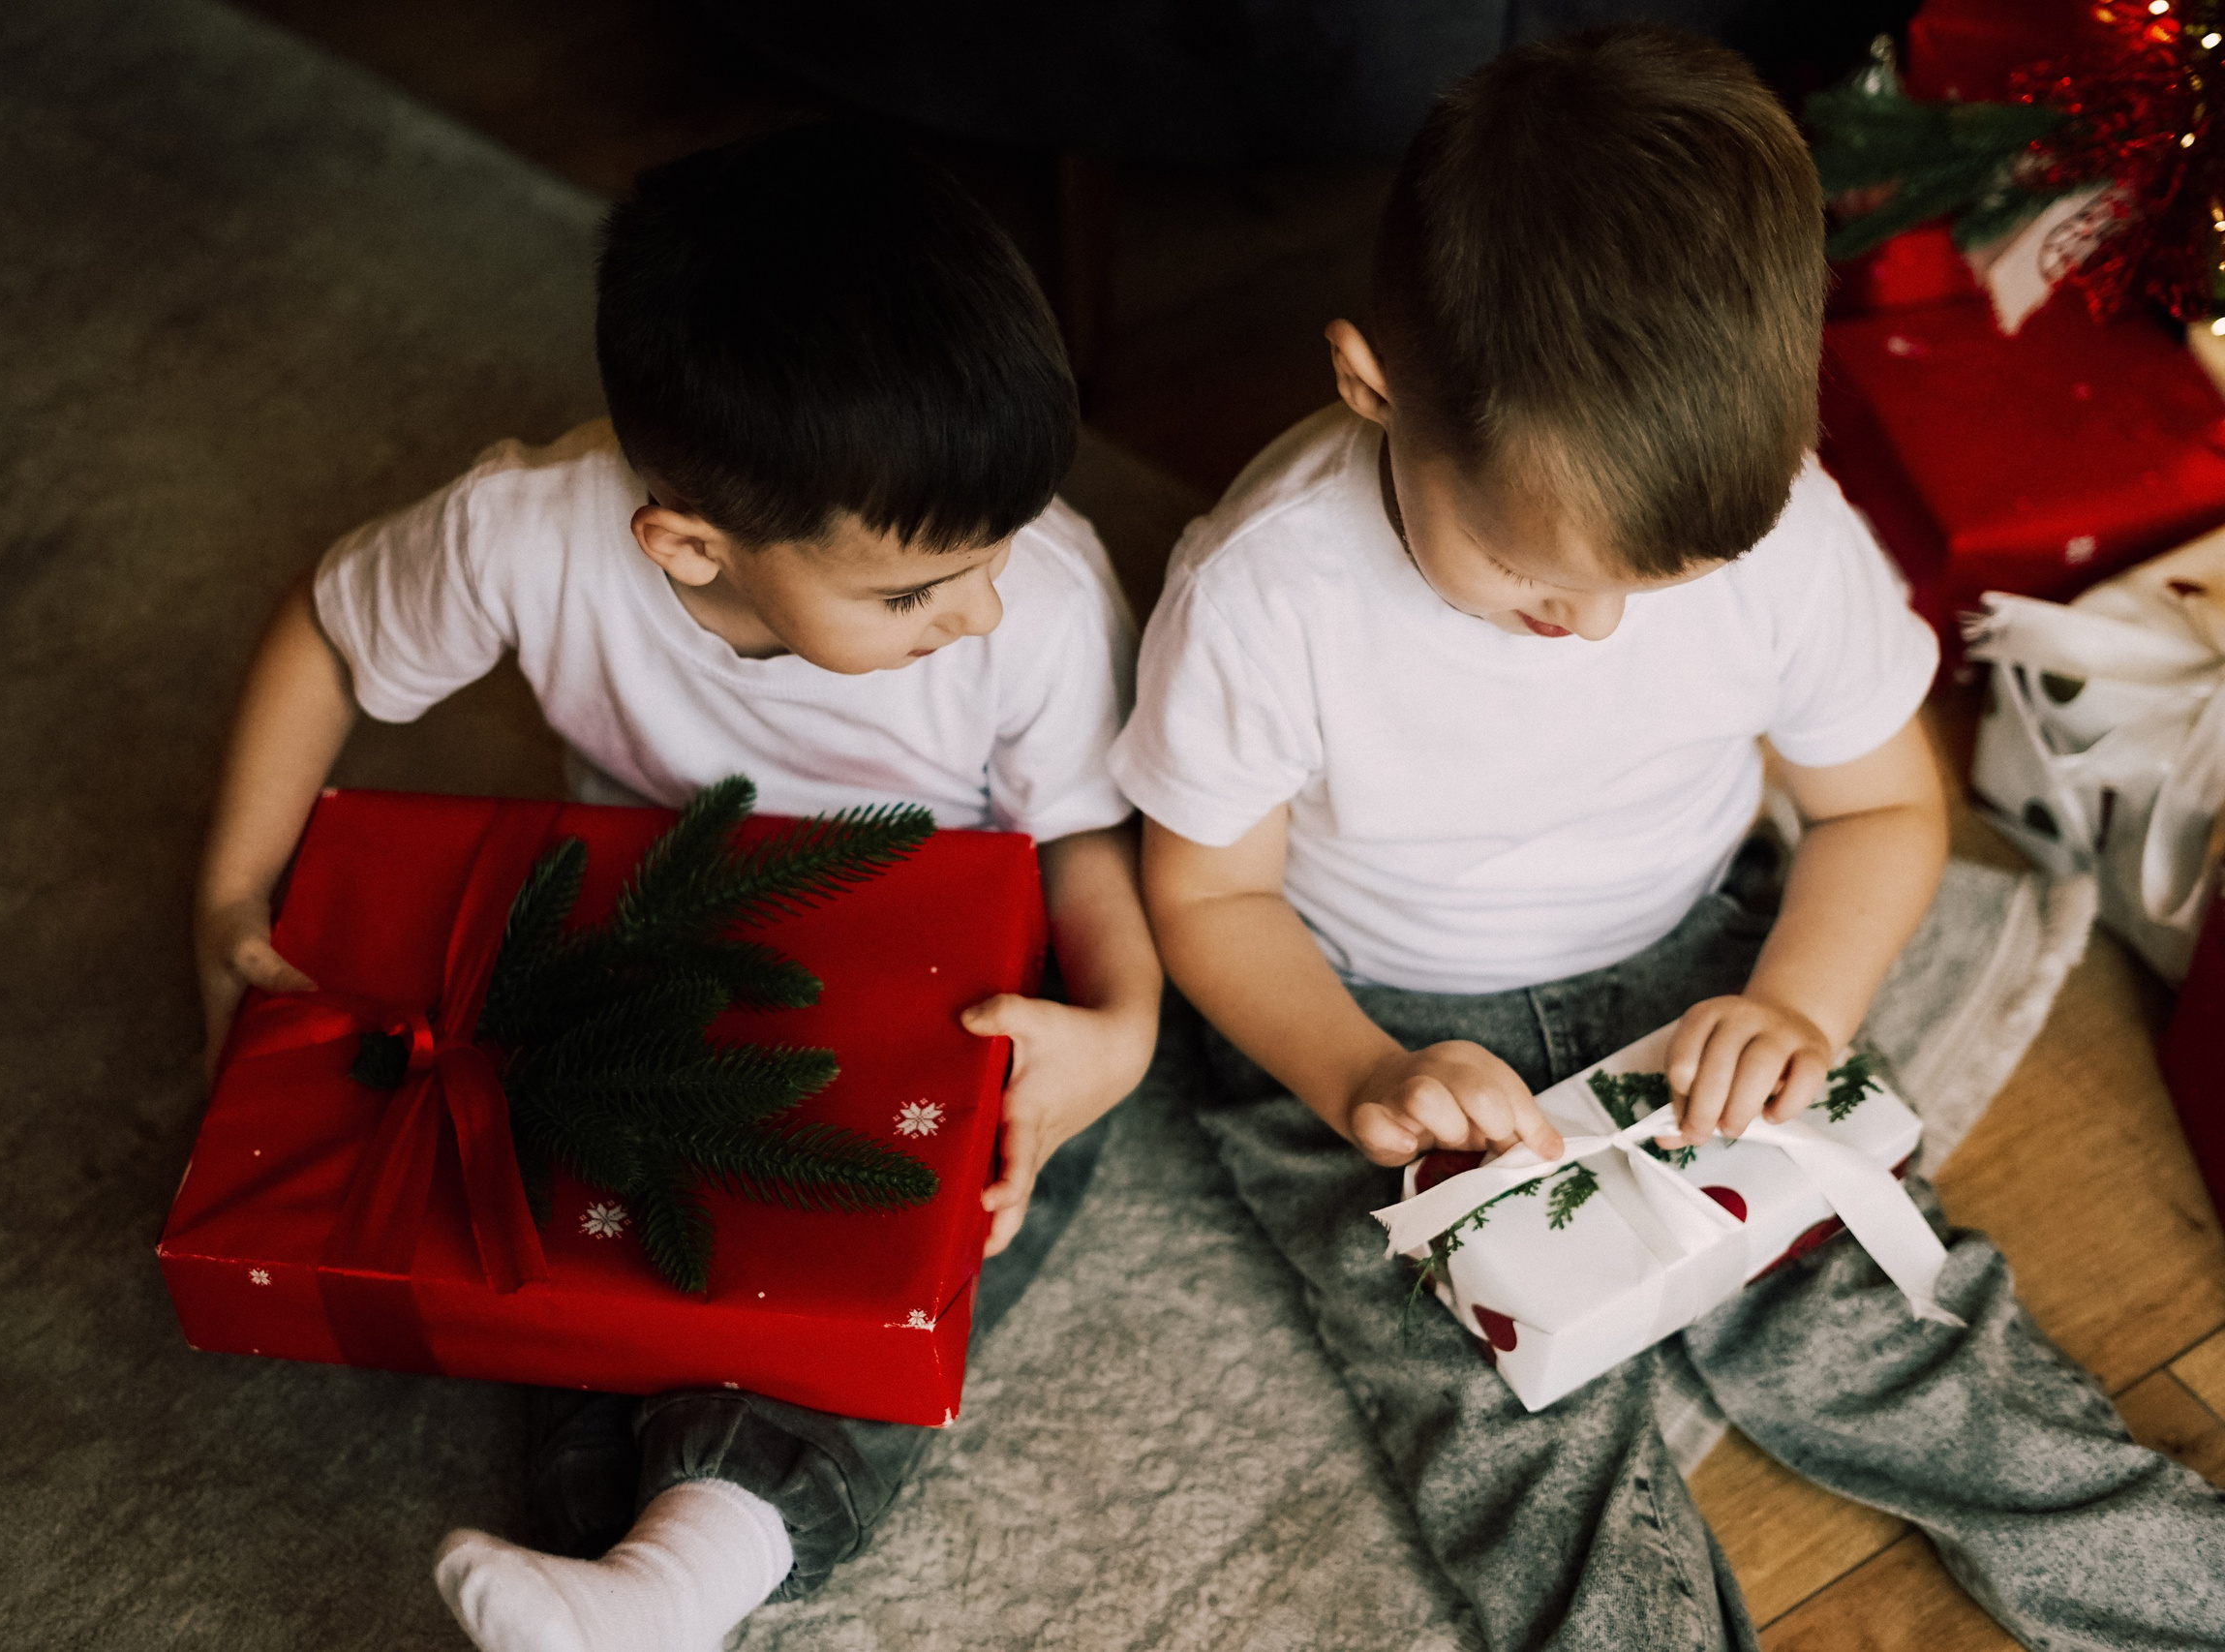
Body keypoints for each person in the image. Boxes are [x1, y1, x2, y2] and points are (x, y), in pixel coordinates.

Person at [1117, 25, 2225, 1652]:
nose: (1593, 625)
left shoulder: (1783, 529)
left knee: (1877, 1320)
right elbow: (1207, 888)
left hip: (1700, 962)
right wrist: (1359, 1072)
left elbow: (1877, 803)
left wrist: (1801, 1012)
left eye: (1663, 583)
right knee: (1508, 1422)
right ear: (1371, 386)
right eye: (1535, 580)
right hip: (1374, 1021)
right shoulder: (1265, 593)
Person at [192, 124, 1162, 1652]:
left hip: (951, 987)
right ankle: (611, 1569)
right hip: (650, 934)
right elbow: (328, 631)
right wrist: (236, 893)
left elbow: (1085, 840)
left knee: (914, 1252)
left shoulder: (1032, 601)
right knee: (572, 1228)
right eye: (912, 592)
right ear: (690, 547)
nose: (978, 609)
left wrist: (1122, 1023)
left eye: (1001, 548)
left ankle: (690, 1563)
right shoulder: (526, 533)